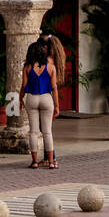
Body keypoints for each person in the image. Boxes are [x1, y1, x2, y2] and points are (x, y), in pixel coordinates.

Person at [19, 36, 62, 168]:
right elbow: (54, 87)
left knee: (33, 131)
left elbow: (24, 86)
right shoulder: (51, 68)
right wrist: (57, 106)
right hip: (46, 98)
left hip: (32, 98)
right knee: (47, 132)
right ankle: (51, 162)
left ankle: (35, 161)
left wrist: (20, 99)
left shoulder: (27, 67)